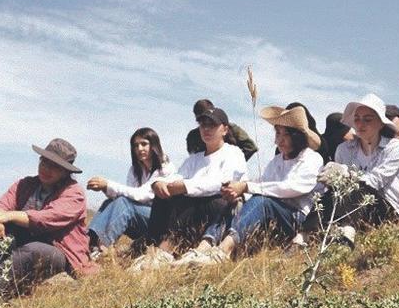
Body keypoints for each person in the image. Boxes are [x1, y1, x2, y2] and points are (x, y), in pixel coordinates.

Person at [0, 138, 94, 302]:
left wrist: (9, 215)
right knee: (2, 236)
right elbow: (0, 206)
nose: (47, 169)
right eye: (44, 162)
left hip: (62, 254)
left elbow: (47, 218)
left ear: (65, 172)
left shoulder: (74, 193)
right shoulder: (25, 185)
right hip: (26, 246)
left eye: (55, 166)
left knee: (34, 250)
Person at [177, 106, 323, 265]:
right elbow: (261, 183)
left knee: (262, 201)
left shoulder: (312, 159)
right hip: (272, 215)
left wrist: (246, 187)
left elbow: (291, 187)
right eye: (277, 134)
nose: (278, 140)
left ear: (297, 137)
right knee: (235, 203)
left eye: (284, 135)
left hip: (296, 217)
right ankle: (203, 247)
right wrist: (239, 192)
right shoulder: (276, 161)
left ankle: (223, 250)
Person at [132, 107, 247, 270]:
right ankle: (153, 247)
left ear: (225, 129)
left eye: (212, 125)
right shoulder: (194, 159)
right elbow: (176, 177)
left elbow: (222, 183)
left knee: (190, 198)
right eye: (203, 125)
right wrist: (158, 183)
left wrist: (185, 186)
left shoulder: (233, 153)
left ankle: (166, 249)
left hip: (220, 206)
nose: (206, 129)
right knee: (163, 195)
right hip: (194, 209)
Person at [318, 94, 399, 244]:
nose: (360, 124)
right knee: (327, 196)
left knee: (358, 186)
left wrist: (345, 174)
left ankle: (347, 231)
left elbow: (376, 181)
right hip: (352, 207)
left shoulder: (395, 147)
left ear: (380, 123)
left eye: (367, 119)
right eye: (357, 119)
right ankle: (303, 236)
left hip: (386, 206)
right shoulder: (343, 149)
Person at [85, 128, 174, 258]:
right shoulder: (135, 170)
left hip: (160, 221)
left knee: (124, 203)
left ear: (153, 145)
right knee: (111, 201)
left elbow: (141, 195)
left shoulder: (165, 167)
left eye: (144, 144)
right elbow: (127, 194)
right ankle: (89, 239)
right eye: (136, 145)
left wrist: (108, 184)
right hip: (142, 220)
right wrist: (105, 188)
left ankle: (100, 246)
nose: (139, 148)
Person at [184, 99, 258, 160]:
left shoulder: (231, 128)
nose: (207, 128)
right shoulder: (192, 136)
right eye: (202, 121)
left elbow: (251, 147)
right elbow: (193, 158)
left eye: (211, 123)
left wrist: (234, 162)